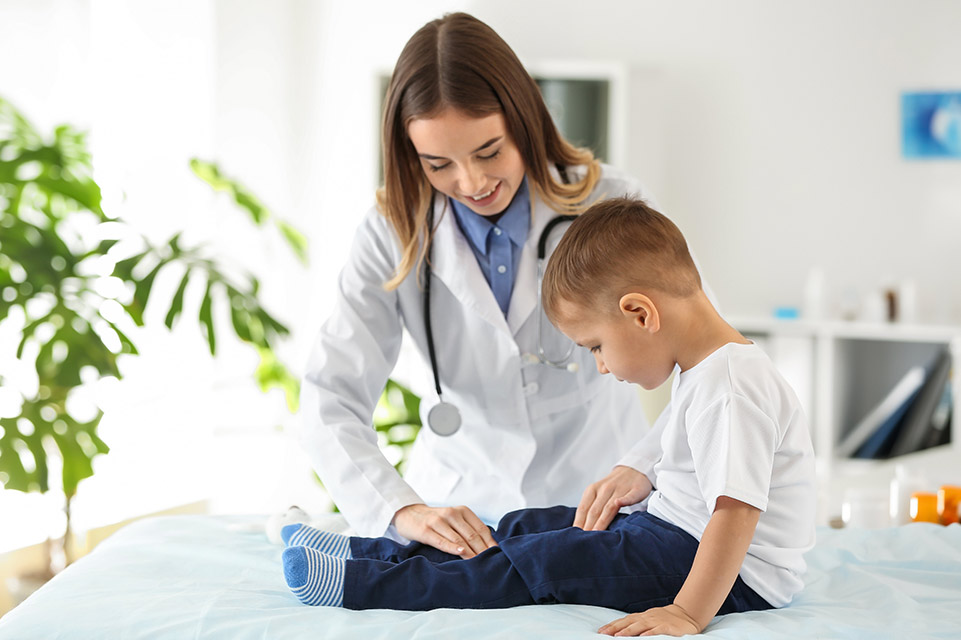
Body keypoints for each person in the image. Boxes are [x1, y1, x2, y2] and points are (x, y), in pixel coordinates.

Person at [281, 197, 816, 636]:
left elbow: (734, 514)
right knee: (528, 526)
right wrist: (643, 469)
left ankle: (360, 585)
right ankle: (373, 550)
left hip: (731, 572)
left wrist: (686, 613)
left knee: (541, 561)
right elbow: (685, 455)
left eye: (597, 346)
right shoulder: (710, 372)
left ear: (639, 313)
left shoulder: (731, 387)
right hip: (673, 531)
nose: (602, 367)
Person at [301, 11, 717, 558]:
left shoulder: (608, 203)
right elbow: (331, 394)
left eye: (489, 151)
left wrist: (643, 463)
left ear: (523, 120)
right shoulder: (391, 233)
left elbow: (703, 360)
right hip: (461, 509)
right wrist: (400, 508)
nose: (471, 182)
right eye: (437, 163)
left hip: (599, 501)